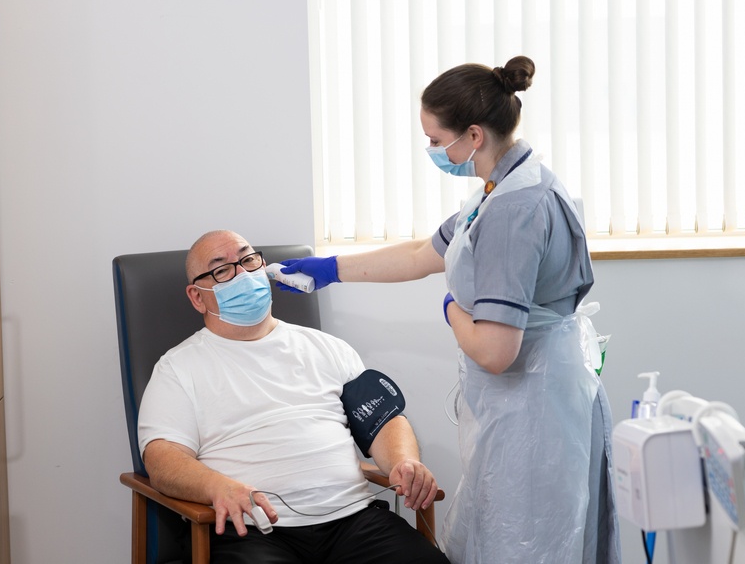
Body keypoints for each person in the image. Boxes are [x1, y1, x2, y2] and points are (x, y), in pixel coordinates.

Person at [279, 56, 621, 564]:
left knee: (525, 546)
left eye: (436, 140)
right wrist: (330, 269)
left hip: (536, 409)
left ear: (474, 136)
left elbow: (495, 351)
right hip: (526, 401)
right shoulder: (501, 187)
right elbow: (425, 253)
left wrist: (453, 307)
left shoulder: (513, 210)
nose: (433, 150)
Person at [137, 229, 450, 564]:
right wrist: (217, 487)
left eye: (248, 259)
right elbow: (162, 459)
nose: (242, 274)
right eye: (222, 269)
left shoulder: (327, 347)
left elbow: (384, 421)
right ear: (197, 297)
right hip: (252, 530)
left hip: (355, 521)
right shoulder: (178, 368)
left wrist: (403, 462)